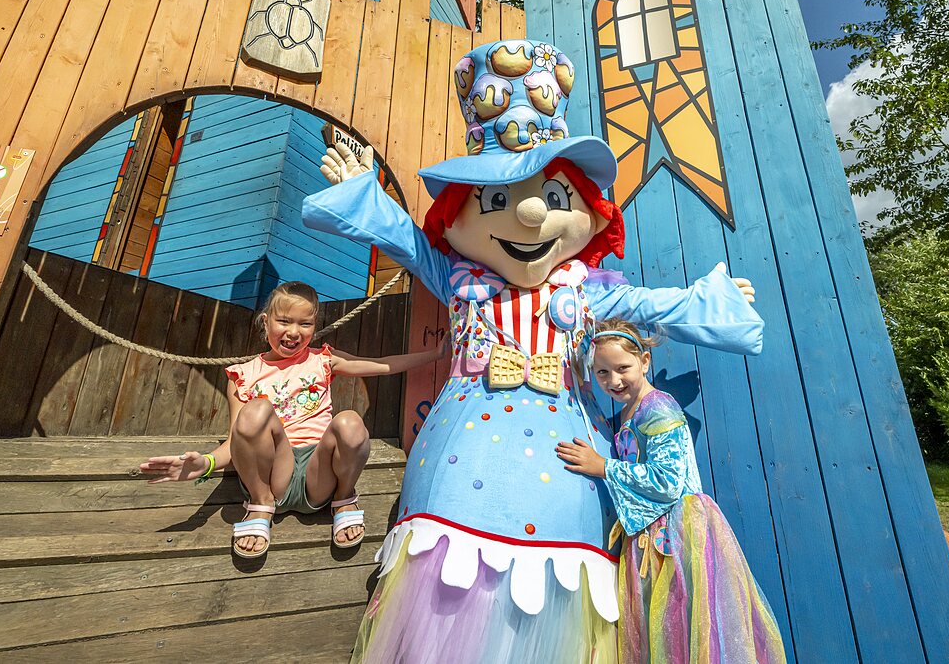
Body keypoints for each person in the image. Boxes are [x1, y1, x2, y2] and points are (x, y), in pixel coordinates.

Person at [302, 38, 765, 662]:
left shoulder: (589, 293)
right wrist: (365, 192)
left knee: (556, 604)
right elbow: (409, 242)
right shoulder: (463, 280)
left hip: (566, 469)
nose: (526, 214)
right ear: (458, 216)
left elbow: (657, 307)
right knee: (448, 590)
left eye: (552, 198)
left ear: (591, 215)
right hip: (461, 467)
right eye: (494, 199)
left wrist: (715, 302)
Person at [139, 281, 447, 558]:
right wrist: (204, 465)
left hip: (319, 472)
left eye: (305, 324)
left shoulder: (323, 359)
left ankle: (343, 498)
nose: (293, 332)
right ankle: (260, 508)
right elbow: (236, 442)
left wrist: (435, 354)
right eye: (284, 321)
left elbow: (382, 365)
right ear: (266, 321)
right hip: (273, 475)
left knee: (350, 421)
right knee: (256, 411)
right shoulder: (242, 375)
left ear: (314, 327)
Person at [556, 320, 786, 664]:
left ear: (644, 362)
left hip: (679, 535)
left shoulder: (658, 407)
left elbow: (668, 480)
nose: (614, 381)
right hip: (651, 538)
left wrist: (603, 466)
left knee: (686, 627)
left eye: (623, 368)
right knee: (662, 634)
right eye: (602, 373)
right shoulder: (628, 413)